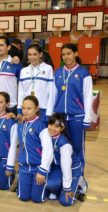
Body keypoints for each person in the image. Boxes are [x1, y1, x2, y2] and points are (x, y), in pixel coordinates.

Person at [48, 43, 92, 177]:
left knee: (78, 149)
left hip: (76, 117)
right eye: (63, 54)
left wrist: (87, 118)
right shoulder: (58, 72)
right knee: (61, 147)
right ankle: (63, 175)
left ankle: (78, 177)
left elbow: (88, 96)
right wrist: (50, 115)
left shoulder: (83, 73)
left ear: (76, 54)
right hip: (60, 118)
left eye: (69, 53)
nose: (66, 57)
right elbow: (52, 95)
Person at [17, 95, 53, 203]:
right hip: (24, 168)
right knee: (23, 197)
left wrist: (42, 170)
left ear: (36, 109)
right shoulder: (21, 124)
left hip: (38, 168)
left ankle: (51, 189)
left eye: (29, 108)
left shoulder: (41, 126)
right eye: (23, 108)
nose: (25, 111)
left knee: (37, 199)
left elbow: (48, 149)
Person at [46, 113, 87, 206]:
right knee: (50, 184)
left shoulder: (65, 145)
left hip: (71, 169)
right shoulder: (46, 136)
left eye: (56, 126)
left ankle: (80, 182)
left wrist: (67, 188)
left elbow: (66, 167)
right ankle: (62, 187)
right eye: (51, 124)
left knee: (66, 201)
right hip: (58, 167)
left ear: (62, 128)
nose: (52, 128)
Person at [17, 43, 54, 122]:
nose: (32, 57)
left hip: (43, 110)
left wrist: (49, 112)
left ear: (40, 54)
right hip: (27, 110)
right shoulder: (24, 71)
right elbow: (21, 92)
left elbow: (51, 92)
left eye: (35, 54)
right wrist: (20, 110)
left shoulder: (48, 69)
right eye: (29, 54)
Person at [0, 36, 22, 116]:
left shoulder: (15, 63)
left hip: (10, 105)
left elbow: (22, 86)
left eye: (1, 45)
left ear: (8, 47)